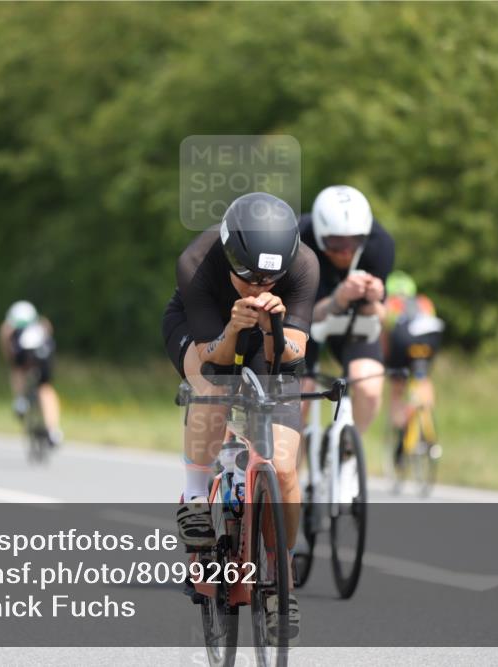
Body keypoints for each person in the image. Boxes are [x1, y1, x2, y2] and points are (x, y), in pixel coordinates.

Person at [162, 192, 318, 641]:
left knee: (284, 468)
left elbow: (290, 360)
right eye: (248, 277)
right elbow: (214, 360)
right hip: (204, 330)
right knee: (214, 387)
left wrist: (275, 325)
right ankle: (194, 496)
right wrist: (234, 325)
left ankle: (279, 580)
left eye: (271, 279)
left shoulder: (304, 265)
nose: (258, 287)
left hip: (272, 336)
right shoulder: (197, 261)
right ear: (230, 256)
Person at [299, 185, 395, 434]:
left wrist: (373, 301)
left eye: (354, 242)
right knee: (297, 399)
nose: (345, 251)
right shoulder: (298, 242)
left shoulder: (379, 244)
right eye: (336, 243)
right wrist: (339, 298)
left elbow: (382, 317)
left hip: (353, 325)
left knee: (368, 387)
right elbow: (300, 313)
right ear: (320, 235)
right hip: (305, 323)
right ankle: (291, 466)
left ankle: (350, 446)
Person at [383, 270, 444, 466]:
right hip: (426, 347)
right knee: (423, 379)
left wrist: (385, 361)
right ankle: (427, 423)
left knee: (397, 388)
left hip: (401, 348)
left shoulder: (390, 304)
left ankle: (401, 431)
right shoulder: (424, 302)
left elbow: (385, 336)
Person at [0, 300, 62, 445]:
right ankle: (53, 430)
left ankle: (20, 400)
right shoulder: (42, 323)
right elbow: (50, 338)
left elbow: (5, 339)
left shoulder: (9, 326)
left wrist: (10, 357)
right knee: (46, 388)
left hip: (23, 354)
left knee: (17, 369)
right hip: (44, 355)